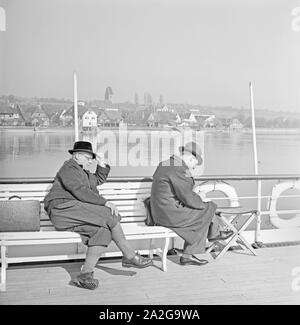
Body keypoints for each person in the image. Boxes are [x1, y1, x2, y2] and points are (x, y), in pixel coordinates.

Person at [44, 141, 152, 290]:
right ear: (76, 156)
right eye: (88, 157)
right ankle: (129, 255)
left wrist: (101, 163)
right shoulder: (68, 168)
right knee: (108, 213)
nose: (90, 161)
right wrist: (105, 202)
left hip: (75, 212)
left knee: (102, 231)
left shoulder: (83, 171)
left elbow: (98, 180)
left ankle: (84, 275)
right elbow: (79, 190)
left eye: (91, 158)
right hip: (62, 209)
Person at [150, 141, 233, 266]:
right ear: (191, 158)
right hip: (169, 214)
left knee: (205, 210)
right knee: (207, 208)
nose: (193, 167)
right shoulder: (179, 169)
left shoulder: (166, 163)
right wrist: (200, 197)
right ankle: (210, 236)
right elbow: (187, 197)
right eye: (194, 163)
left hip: (160, 211)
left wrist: (196, 198)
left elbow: (178, 192)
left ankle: (213, 234)